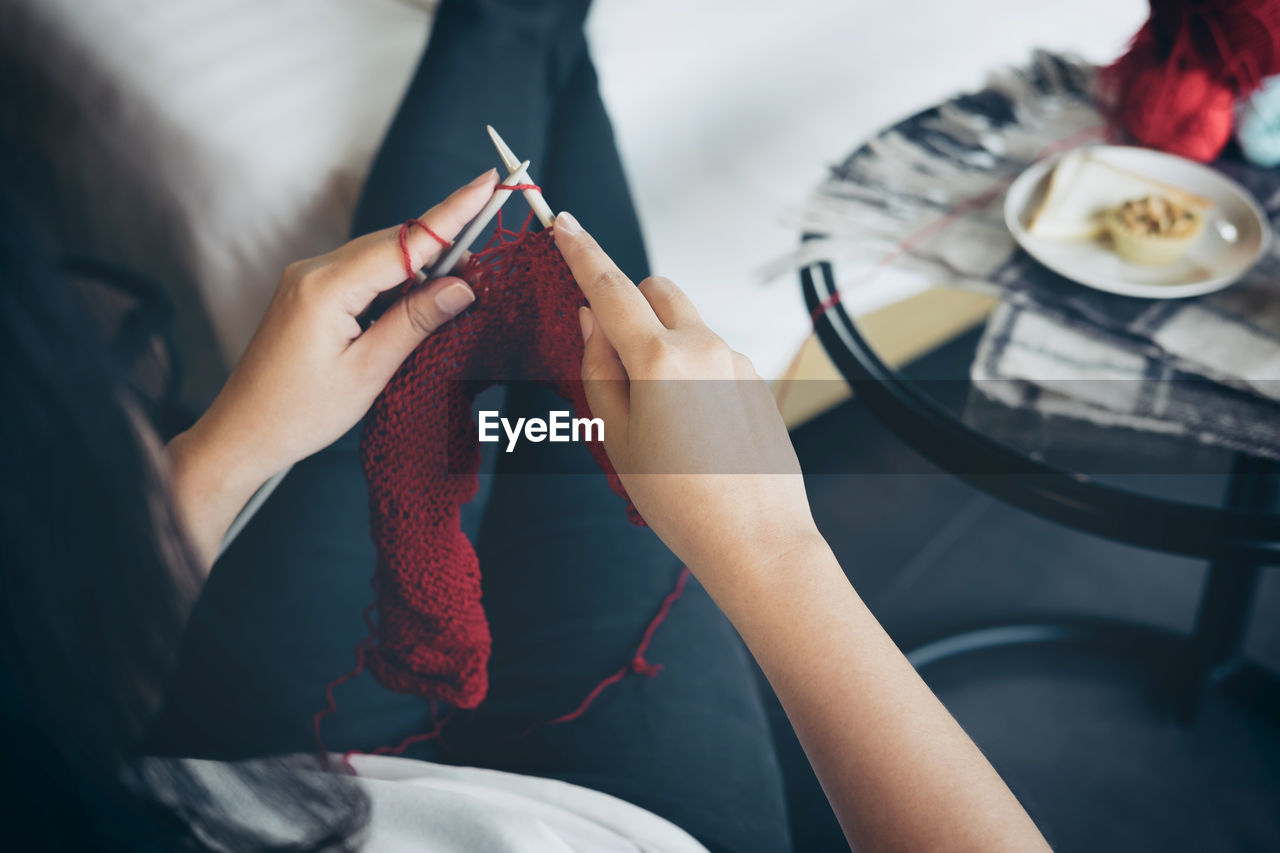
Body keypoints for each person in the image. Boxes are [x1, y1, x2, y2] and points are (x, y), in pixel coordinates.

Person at [0, 0, 1052, 849]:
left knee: (515, 188)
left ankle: (522, 20)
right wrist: (772, 547)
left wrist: (225, 451)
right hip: (627, 819)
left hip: (235, 761)